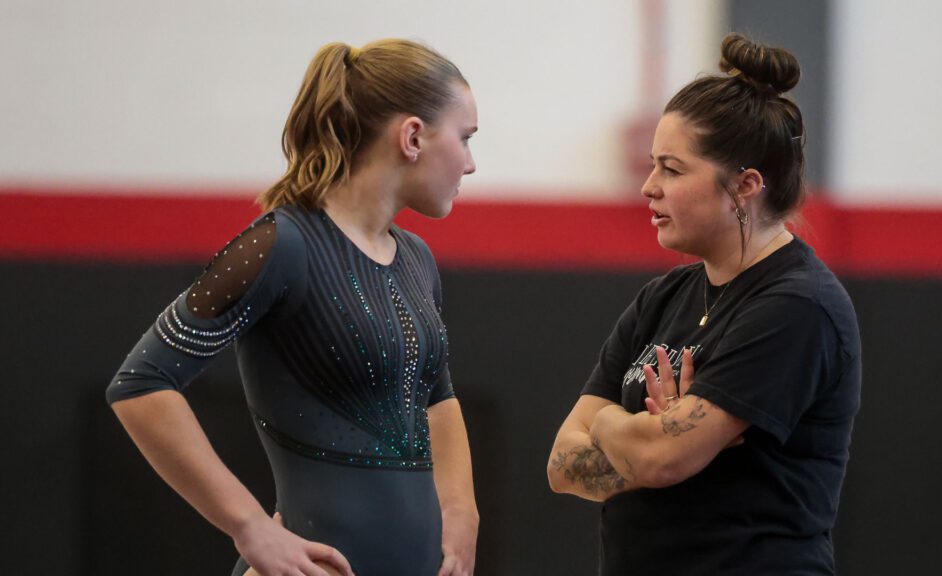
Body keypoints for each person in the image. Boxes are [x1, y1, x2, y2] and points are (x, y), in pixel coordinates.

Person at [107, 39, 479, 576]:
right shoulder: (283, 245)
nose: (470, 163)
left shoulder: (415, 258)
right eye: (465, 139)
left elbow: (437, 397)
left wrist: (461, 510)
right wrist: (249, 527)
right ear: (413, 136)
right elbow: (140, 385)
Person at [547, 33, 861, 575]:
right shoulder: (664, 296)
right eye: (652, 165)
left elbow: (661, 459)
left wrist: (610, 426)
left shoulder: (798, 306)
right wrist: (648, 436)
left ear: (745, 186)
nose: (649, 186)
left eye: (672, 169)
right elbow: (560, 466)